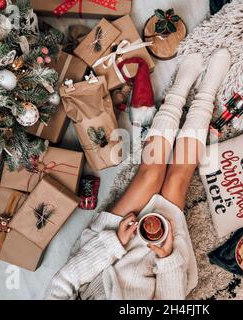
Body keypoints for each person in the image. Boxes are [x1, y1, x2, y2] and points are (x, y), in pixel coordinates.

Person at [45, 49, 231, 300]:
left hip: (101, 254)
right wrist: (166, 258)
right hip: (152, 267)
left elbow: (63, 281)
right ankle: (207, 93)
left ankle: (178, 91)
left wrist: (113, 244)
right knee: (178, 179)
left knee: (151, 174)